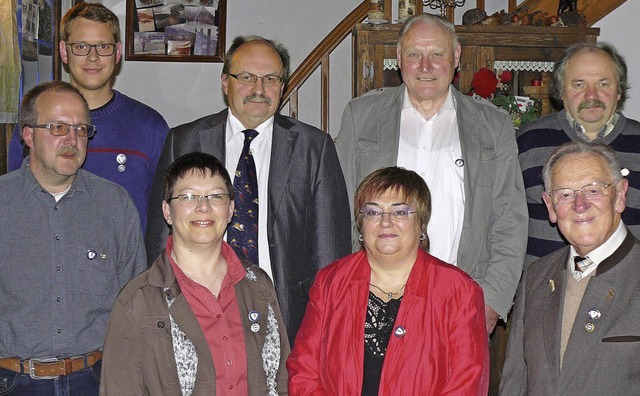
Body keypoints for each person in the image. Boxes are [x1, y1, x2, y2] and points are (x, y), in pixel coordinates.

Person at [146, 35, 351, 341]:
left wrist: (325, 325)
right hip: (198, 308)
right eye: (246, 77)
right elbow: (160, 237)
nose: (259, 89)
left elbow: (331, 247)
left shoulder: (314, 147)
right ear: (225, 82)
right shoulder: (184, 141)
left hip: (286, 314)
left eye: (271, 78)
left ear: (283, 86)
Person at [335, 13, 527, 333]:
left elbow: (510, 220)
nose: (425, 66)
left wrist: (491, 300)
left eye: (436, 54)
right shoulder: (361, 116)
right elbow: (339, 208)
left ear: (456, 57)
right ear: (399, 59)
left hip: (460, 302)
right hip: (373, 298)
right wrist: (348, 291)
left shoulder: (493, 126)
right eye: (414, 55)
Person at [0, 81, 147, 395]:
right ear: (28, 135)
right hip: (13, 381)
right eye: (57, 127)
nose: (72, 140)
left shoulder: (115, 205)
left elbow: (136, 305)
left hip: (96, 379)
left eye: (81, 129)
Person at [287, 167, 489, 395]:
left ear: (421, 223)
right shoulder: (330, 282)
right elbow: (303, 372)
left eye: (400, 212)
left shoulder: (458, 291)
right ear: (361, 225)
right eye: (373, 212)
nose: (385, 222)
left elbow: (466, 384)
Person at [100, 152, 289, 395]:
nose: (203, 207)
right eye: (188, 196)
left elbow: (283, 380)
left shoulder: (258, 285)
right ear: (167, 211)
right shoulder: (137, 300)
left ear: (230, 209)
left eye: (216, 196)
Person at [8, 2, 169, 232]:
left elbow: (162, 219)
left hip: (126, 266)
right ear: (64, 51)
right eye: (81, 46)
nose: (93, 57)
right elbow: (16, 205)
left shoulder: (150, 126)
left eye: (103, 46)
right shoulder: (34, 124)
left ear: (117, 52)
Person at [500, 141, 640, 394]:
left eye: (593, 190)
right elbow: (515, 381)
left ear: (620, 195)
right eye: (565, 194)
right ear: (550, 206)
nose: (580, 205)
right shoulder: (537, 276)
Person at [517, 42, 640, 264]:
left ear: (619, 91)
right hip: (544, 288)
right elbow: (504, 222)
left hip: (628, 291)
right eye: (579, 84)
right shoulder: (528, 142)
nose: (592, 95)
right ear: (561, 91)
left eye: (603, 83)